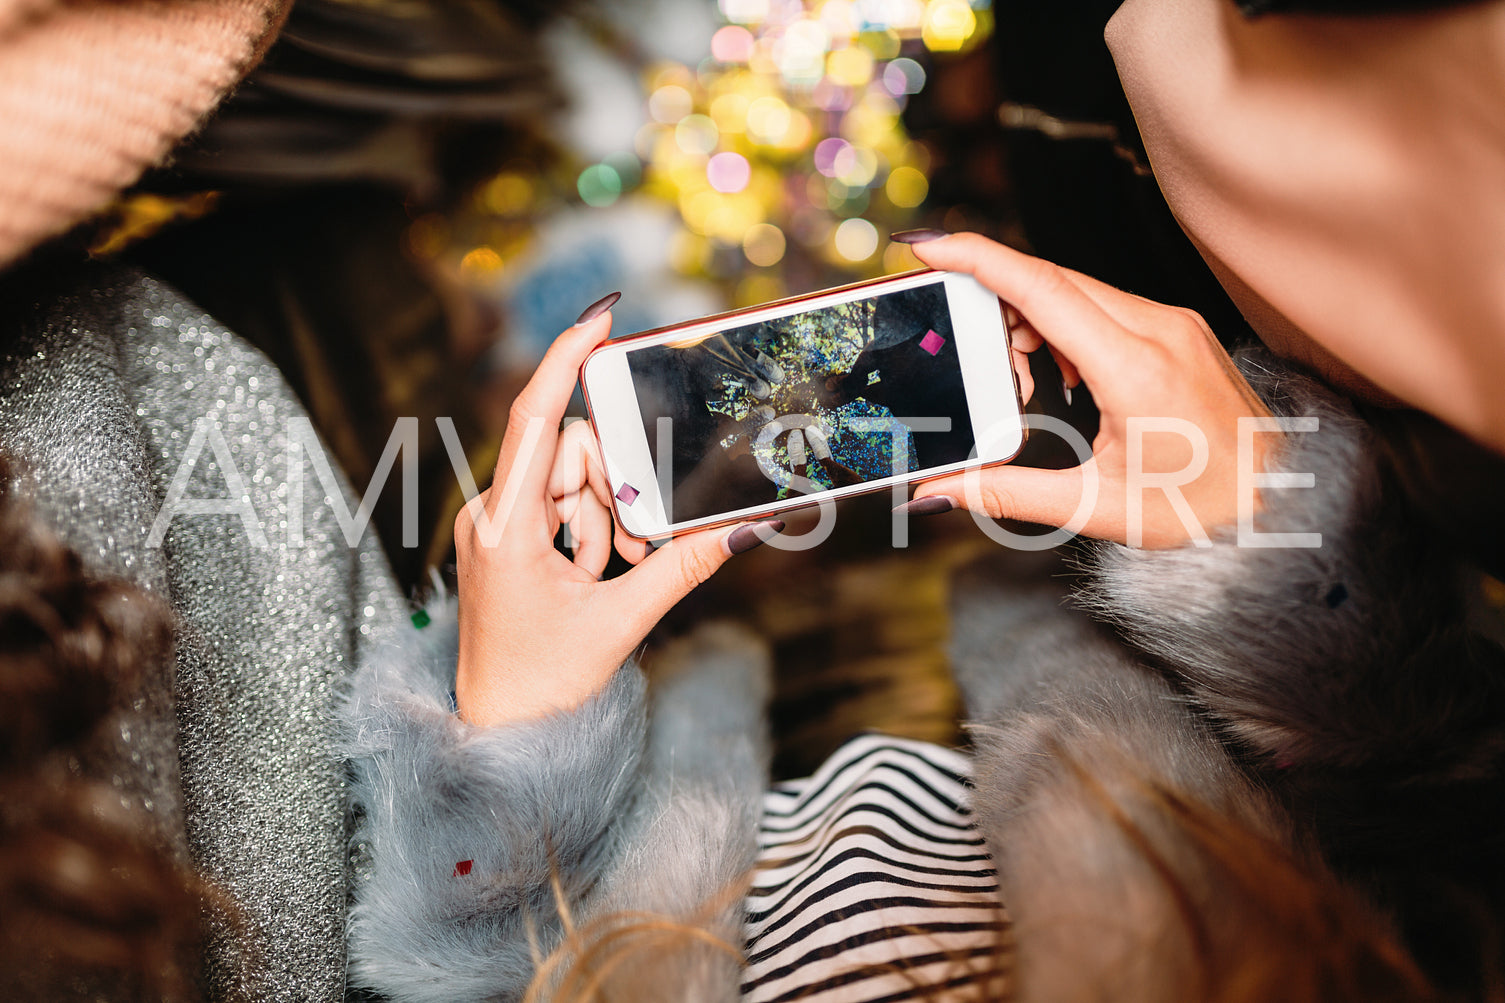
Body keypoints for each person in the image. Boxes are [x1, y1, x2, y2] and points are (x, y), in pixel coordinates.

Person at [343, 3, 1505, 1001]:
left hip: (770, 649)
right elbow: (1443, 834)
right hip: (1027, 604)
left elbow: (479, 968)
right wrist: (1273, 559)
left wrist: (506, 751)